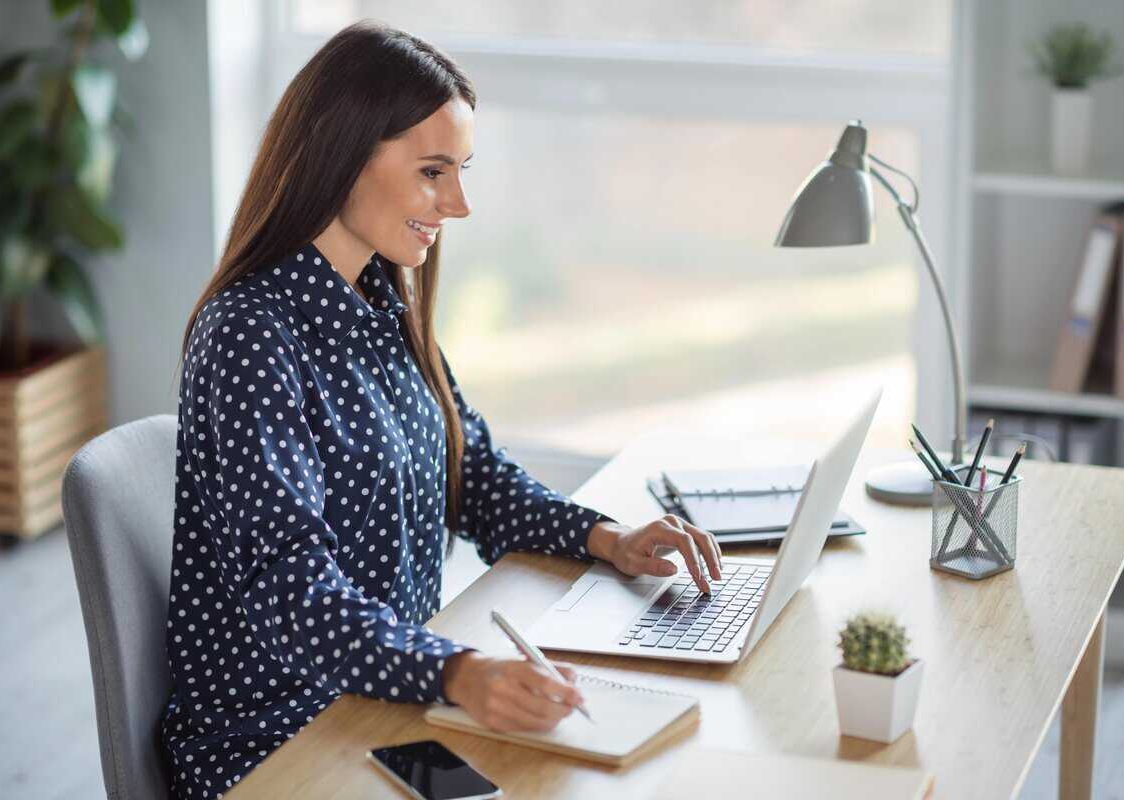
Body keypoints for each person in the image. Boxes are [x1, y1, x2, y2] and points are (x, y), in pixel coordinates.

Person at [160, 21, 722, 799]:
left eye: (459, 171)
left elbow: (473, 475)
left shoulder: (382, 297)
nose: (456, 203)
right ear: (342, 155)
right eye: (432, 171)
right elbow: (291, 588)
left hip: (387, 702)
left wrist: (607, 538)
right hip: (276, 738)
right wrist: (454, 671)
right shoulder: (250, 334)